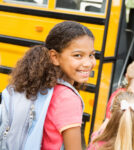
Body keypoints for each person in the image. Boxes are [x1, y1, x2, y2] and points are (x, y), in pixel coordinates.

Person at [5, 21, 96, 150]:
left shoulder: (42, 86)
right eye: (78, 55)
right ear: (54, 57)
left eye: (91, 55)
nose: (88, 63)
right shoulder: (68, 98)